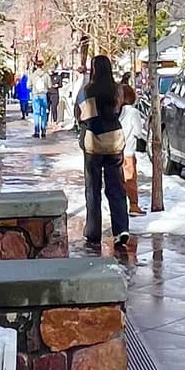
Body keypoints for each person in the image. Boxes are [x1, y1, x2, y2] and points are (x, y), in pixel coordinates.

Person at [78, 53, 129, 250]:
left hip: (93, 143)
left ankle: (93, 231)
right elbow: (119, 111)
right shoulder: (116, 90)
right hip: (114, 141)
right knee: (116, 186)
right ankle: (121, 228)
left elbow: (82, 115)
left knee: (93, 189)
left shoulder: (87, 90)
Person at [118, 82, 146, 216]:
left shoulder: (117, 112)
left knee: (119, 180)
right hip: (129, 150)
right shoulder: (133, 112)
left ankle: (120, 205)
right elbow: (138, 132)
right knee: (131, 179)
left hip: (117, 150)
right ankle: (134, 205)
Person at [31, 65, 50, 137]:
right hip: (43, 95)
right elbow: (50, 85)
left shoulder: (32, 75)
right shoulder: (46, 75)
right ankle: (43, 131)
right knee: (43, 113)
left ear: (36, 66)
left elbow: (28, 85)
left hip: (35, 95)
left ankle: (36, 131)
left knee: (36, 113)